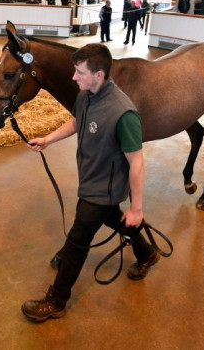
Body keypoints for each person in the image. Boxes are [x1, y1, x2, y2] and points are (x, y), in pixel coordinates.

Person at [21, 43, 158, 323]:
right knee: (115, 220)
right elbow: (76, 122)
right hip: (90, 179)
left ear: (99, 74)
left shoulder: (124, 113)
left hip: (103, 189)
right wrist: (48, 139)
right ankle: (147, 252)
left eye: (80, 73)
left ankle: (56, 300)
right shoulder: (86, 94)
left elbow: (137, 163)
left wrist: (137, 208)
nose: (74, 78)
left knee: (76, 242)